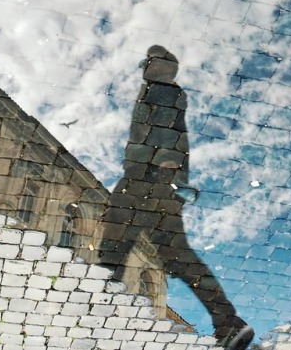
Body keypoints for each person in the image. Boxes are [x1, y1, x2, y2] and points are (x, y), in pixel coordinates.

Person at [95, 45, 254, 350]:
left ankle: (99, 317)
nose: (145, 66)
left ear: (163, 65)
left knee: (112, 251)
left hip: (143, 181)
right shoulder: (163, 91)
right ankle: (229, 322)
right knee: (179, 258)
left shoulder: (162, 91)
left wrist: (166, 163)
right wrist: (175, 177)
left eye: (150, 62)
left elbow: (171, 131)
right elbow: (177, 133)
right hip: (157, 184)